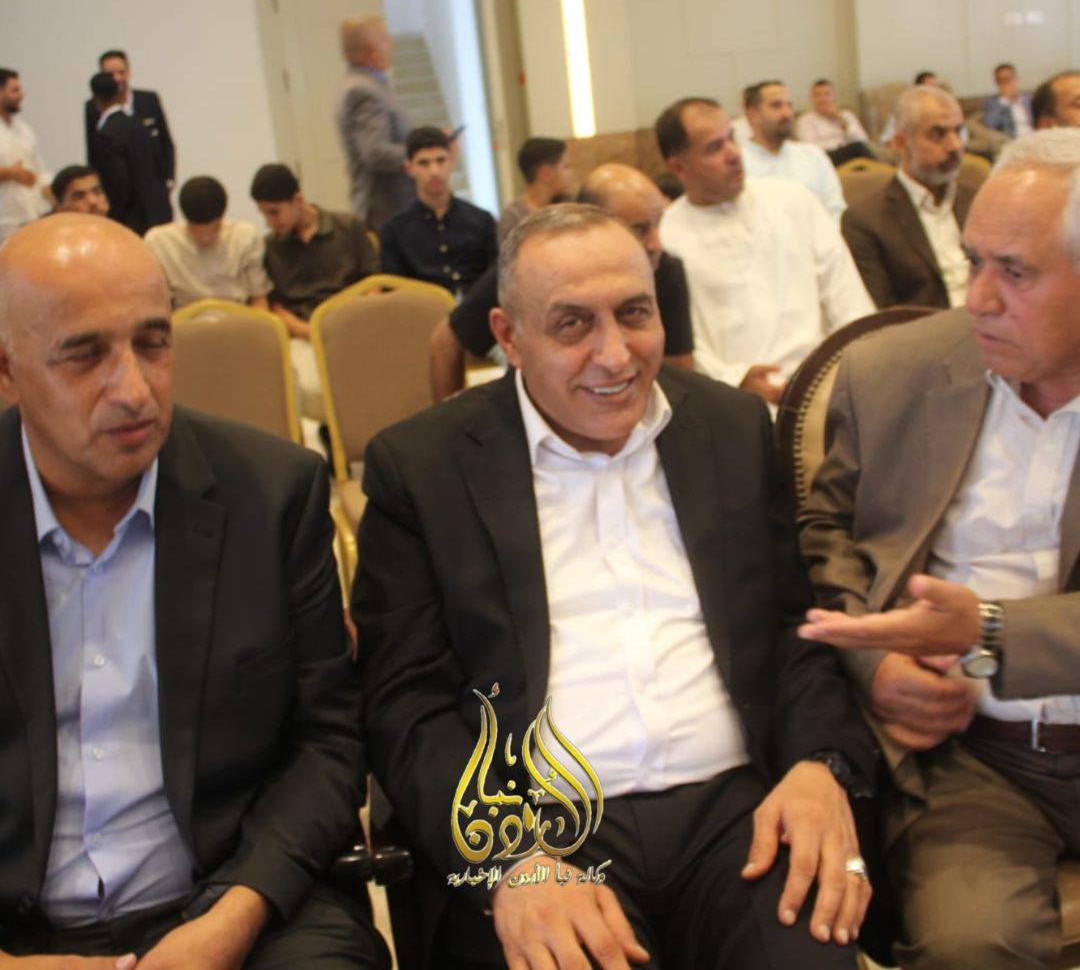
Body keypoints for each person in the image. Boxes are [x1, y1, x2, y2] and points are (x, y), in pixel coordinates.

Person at [355, 202, 877, 970]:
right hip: (536, 826)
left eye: (635, 314)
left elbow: (791, 626)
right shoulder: (423, 467)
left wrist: (818, 764)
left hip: (741, 810)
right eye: (573, 325)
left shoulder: (731, 428)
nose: (615, 354)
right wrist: (511, 860)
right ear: (508, 337)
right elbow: (406, 703)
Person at [0, 213, 388, 967]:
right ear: (8, 371)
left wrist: (231, 920)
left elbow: (328, 742)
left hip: (236, 898)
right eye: (85, 355)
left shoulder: (270, 493)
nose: (134, 390)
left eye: (153, 343)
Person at [797, 129, 1080, 967]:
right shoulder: (894, 373)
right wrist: (874, 664)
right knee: (970, 948)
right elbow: (824, 537)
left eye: (1014, 272)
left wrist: (990, 631)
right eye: (973, 261)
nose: (978, 298)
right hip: (972, 762)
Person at [656, 97, 873, 405]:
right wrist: (735, 381)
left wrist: (846, 372)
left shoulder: (793, 200)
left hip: (829, 384)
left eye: (732, 138)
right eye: (714, 148)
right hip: (730, 400)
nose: (734, 154)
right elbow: (679, 345)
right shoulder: (666, 236)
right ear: (679, 167)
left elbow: (847, 298)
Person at [427, 162, 694, 400]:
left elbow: (679, 377)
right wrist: (456, 427)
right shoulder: (531, 271)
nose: (656, 244)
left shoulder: (664, 269)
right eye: (639, 230)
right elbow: (445, 342)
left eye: (633, 312)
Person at [251, 163, 378, 422]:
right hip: (303, 335)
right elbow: (276, 307)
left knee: (369, 379)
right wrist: (308, 331)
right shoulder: (270, 247)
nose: (270, 222)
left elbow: (373, 286)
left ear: (298, 200)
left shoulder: (349, 227)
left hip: (353, 326)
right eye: (264, 214)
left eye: (274, 212)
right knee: (305, 386)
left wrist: (350, 325)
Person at [841, 85, 973, 309]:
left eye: (958, 131)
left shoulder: (977, 202)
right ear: (901, 143)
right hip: (927, 328)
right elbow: (883, 316)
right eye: (937, 134)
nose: (955, 145)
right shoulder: (865, 221)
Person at [379, 126, 497, 297]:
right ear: (409, 168)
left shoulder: (482, 221)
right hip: (422, 310)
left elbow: (495, 280)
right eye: (424, 163)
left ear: (451, 161)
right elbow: (394, 293)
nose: (434, 171)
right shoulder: (394, 230)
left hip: (477, 309)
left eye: (440, 160)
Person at [335, 16, 414, 231]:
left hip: (392, 209)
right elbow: (375, 153)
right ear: (371, 52)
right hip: (387, 210)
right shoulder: (363, 91)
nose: (391, 43)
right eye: (385, 39)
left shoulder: (370, 84)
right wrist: (419, 152)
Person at [146, 176, 271, 309]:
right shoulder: (159, 242)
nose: (205, 238)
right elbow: (155, 302)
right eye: (196, 231)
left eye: (213, 230)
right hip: (183, 317)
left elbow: (259, 298)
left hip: (237, 315)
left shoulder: (245, 237)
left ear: (222, 218)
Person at [740, 82, 846, 220]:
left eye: (789, 105)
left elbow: (834, 208)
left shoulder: (812, 155)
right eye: (776, 106)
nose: (787, 113)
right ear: (752, 114)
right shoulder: (738, 163)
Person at [87, 72, 171, 236]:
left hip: (131, 220)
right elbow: (158, 163)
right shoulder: (139, 124)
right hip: (157, 211)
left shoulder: (106, 134)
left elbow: (118, 184)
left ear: (95, 100)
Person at [83, 50, 175, 199]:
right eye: (110, 74)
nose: (117, 78)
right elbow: (93, 151)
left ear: (129, 72)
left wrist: (168, 179)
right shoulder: (92, 107)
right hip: (118, 193)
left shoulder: (148, 99)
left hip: (154, 187)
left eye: (121, 72)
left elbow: (165, 142)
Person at [0, 68, 51, 243]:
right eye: (14, 90)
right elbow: (15, 172)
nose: (22, 95)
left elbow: (38, 171)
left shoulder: (23, 129)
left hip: (29, 213)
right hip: (4, 217)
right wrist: (10, 173)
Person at [498, 137, 575, 245]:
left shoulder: (570, 206)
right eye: (566, 166)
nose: (571, 173)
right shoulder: (514, 217)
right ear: (546, 173)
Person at [795, 80, 875, 167]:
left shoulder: (847, 116)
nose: (823, 99)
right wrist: (837, 146)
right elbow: (810, 149)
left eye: (827, 94)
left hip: (851, 155)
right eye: (818, 95)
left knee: (860, 149)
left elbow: (863, 141)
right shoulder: (805, 120)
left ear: (834, 97)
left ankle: (880, 171)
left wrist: (842, 121)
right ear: (812, 99)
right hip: (825, 158)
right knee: (858, 148)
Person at [981, 62, 1032, 139]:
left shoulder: (1028, 98)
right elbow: (990, 125)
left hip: (1034, 137)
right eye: (1002, 80)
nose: (1006, 83)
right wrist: (1004, 99)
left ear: (1016, 79)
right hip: (1013, 139)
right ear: (997, 83)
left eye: (1009, 78)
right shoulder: (992, 103)